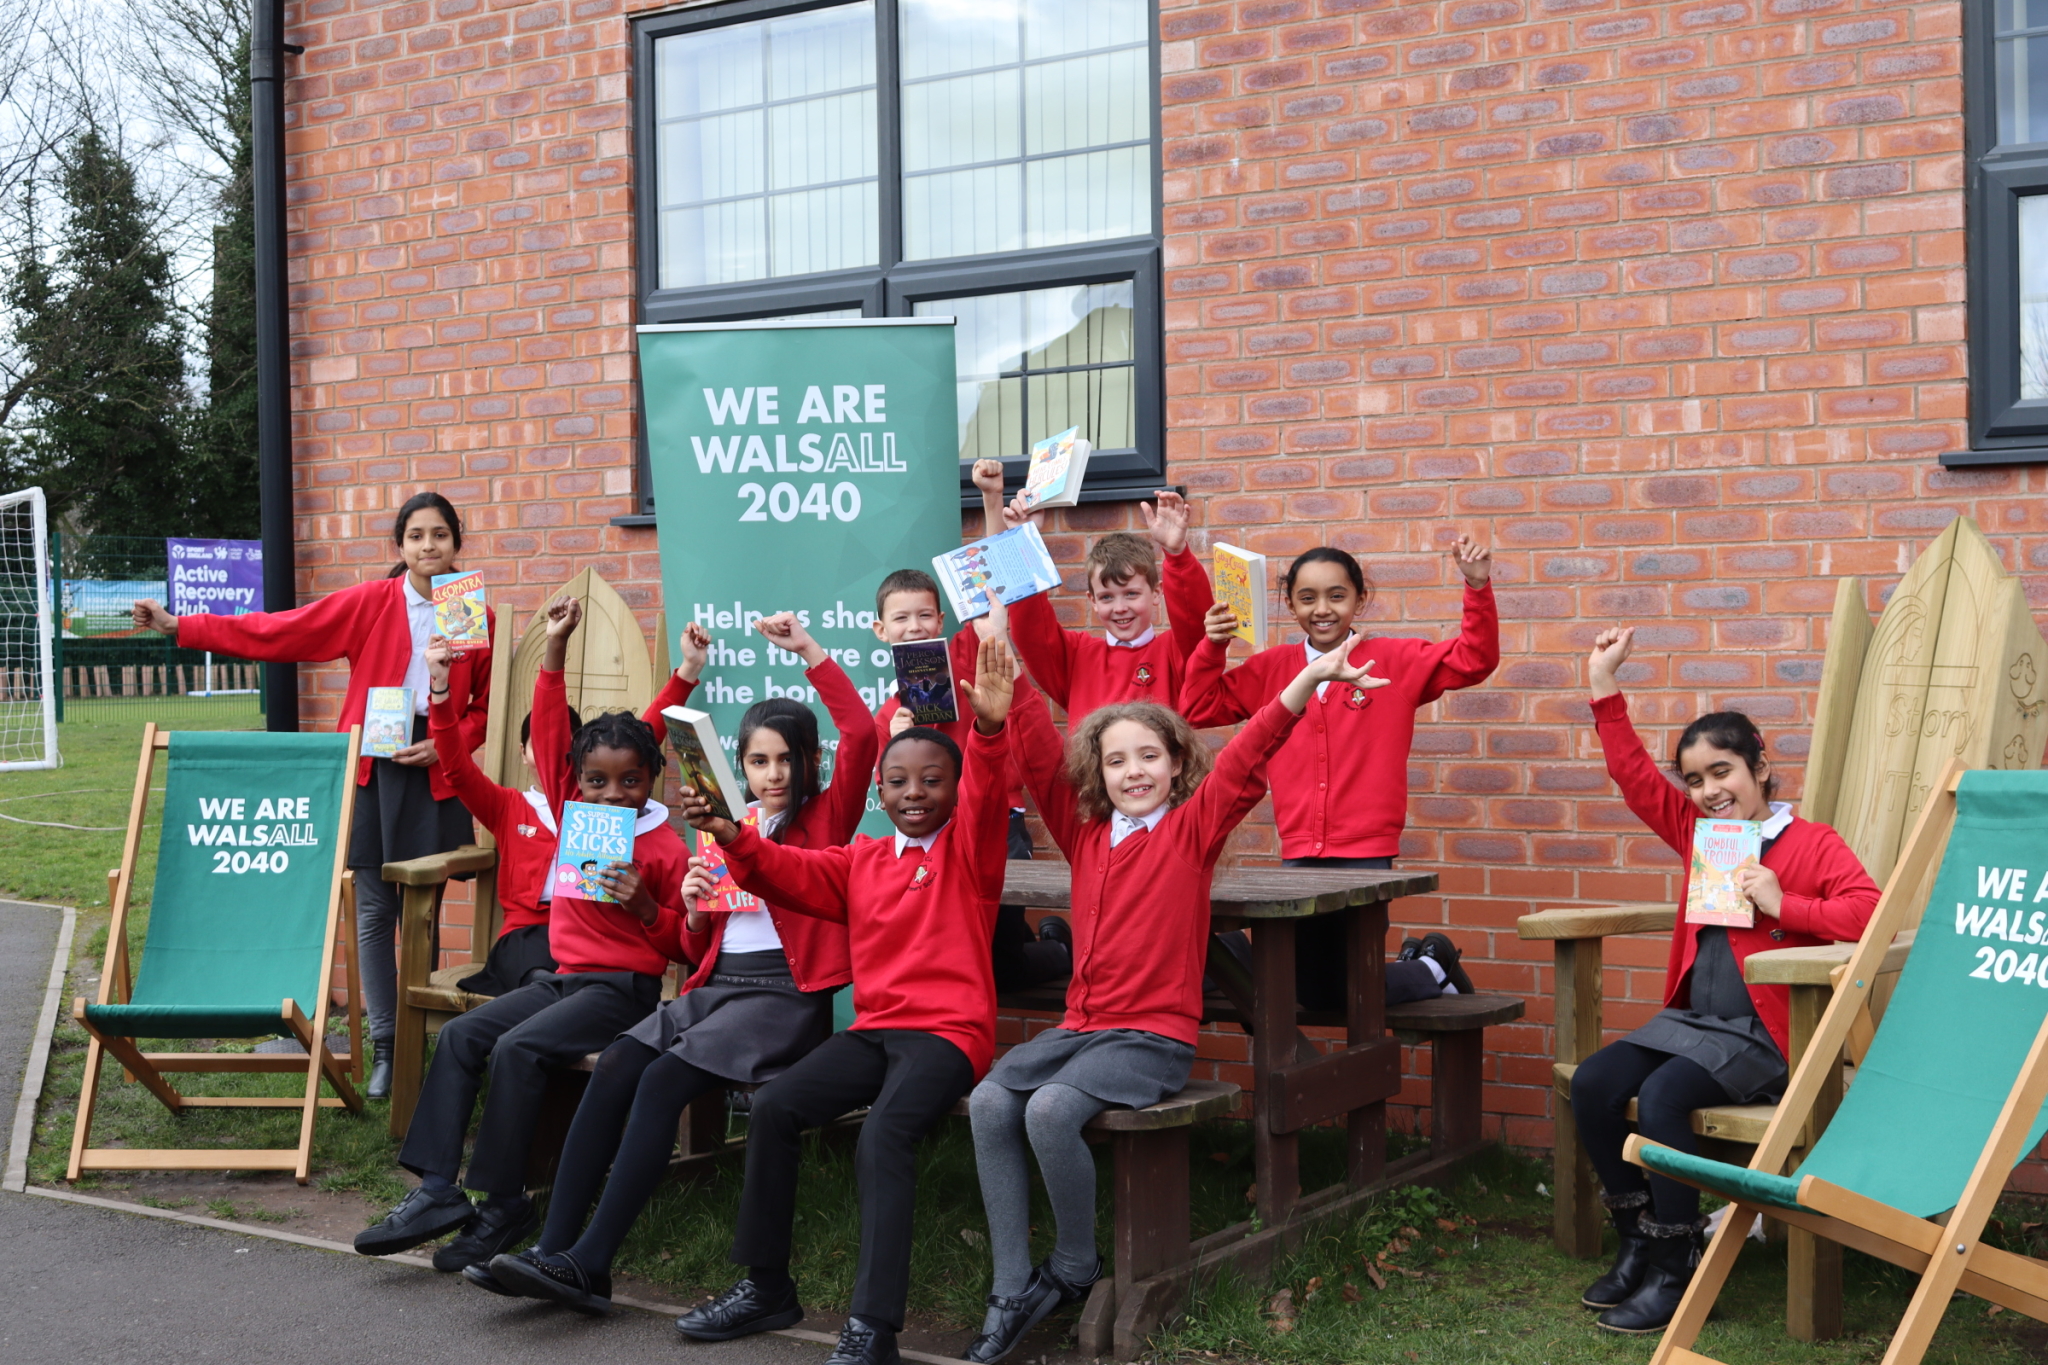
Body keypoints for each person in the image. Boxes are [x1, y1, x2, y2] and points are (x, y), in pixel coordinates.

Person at [964, 642, 1388, 1363]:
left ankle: (1073, 1265)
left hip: (1150, 1039)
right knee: (988, 1102)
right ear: (1098, 773)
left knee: (1048, 1109)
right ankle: (1011, 1285)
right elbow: (1039, 759)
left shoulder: (1192, 830)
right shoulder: (1086, 835)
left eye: (1150, 756)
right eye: (1118, 759)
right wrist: (1008, 709)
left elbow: (1247, 759)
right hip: (1081, 1030)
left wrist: (1307, 680)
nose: (1134, 771)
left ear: (1176, 765)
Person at [480, 612, 876, 1313]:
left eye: (787, 759)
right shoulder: (727, 827)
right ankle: (553, 1248)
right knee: (621, 1067)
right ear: (739, 767)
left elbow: (866, 735)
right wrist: (689, 909)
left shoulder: (823, 822)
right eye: (759, 760)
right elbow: (692, 950)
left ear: (809, 764)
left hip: (781, 1000)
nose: (774, 773)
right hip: (713, 991)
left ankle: (592, 1263)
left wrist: (809, 651)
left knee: (660, 1080)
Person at [669, 636, 1018, 1365]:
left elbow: (988, 793)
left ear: (954, 791)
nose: (915, 792)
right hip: (876, 1029)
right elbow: (783, 870)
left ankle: (872, 1328)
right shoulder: (862, 859)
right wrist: (730, 830)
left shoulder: (970, 851)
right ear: (879, 793)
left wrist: (986, 730)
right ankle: (767, 1285)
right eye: (898, 781)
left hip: (947, 1035)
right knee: (774, 1105)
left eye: (932, 780)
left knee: (882, 1133)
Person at [350, 598, 691, 1275]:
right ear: (575, 781)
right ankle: (439, 1190)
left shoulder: (665, 845)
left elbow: (685, 946)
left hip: (623, 989)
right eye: (598, 781)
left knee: (517, 1047)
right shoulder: (573, 808)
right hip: (565, 975)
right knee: (463, 1035)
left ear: (651, 778)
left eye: (630, 781)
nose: (614, 794)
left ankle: (505, 1204)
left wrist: (648, 906)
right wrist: (555, 645)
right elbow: (549, 715)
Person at [130, 491, 492, 1099]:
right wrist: (180, 626)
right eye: (415, 537)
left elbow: (483, 705)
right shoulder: (372, 602)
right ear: (399, 547)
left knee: (420, 912)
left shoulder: (467, 606)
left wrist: (449, 744)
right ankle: (383, 1047)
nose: (428, 547)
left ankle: (422, 1047)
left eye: (440, 535)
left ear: (458, 542)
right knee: (376, 911)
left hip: (434, 768)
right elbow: (281, 632)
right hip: (373, 771)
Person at [1570, 625, 1880, 1335]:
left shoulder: (1812, 842)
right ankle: (1639, 1239)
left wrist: (1785, 903)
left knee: (1663, 1097)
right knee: (1593, 1081)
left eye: (1723, 771)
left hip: (1766, 1037)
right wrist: (1602, 685)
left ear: (1761, 766)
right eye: (1696, 779)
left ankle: (1677, 1268)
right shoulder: (1699, 833)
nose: (1709, 789)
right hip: (1692, 1024)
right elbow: (1633, 776)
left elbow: (1869, 912)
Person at [1182, 538, 1499, 1013]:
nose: (1323, 610)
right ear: (1289, 603)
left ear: (1359, 599)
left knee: (1340, 992)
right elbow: (1198, 705)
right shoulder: (1271, 669)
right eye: (1307, 598)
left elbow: (1474, 659)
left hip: (1365, 855)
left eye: (1337, 595)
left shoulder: (1394, 659)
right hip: (1299, 853)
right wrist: (1213, 644)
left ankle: (1431, 968)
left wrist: (1477, 586)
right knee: (1304, 987)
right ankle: (1430, 967)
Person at [871, 495, 1067, 991]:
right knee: (963, 955)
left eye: (924, 616)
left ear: (942, 621)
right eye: (901, 619)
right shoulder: (886, 715)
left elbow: (985, 583)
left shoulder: (965, 659)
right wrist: (898, 744)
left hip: (999, 819)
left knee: (1005, 970)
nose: (914, 627)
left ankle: (1056, 946)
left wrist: (993, 499)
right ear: (881, 631)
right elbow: (886, 789)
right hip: (937, 839)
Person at [1001, 484, 1214, 722]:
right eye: (1107, 597)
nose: (1120, 607)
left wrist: (1176, 553)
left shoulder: (1175, 653)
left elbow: (1197, 625)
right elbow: (1031, 631)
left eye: (1131, 594)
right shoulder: (1076, 657)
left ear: (1156, 593)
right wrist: (1024, 540)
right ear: (1092, 601)